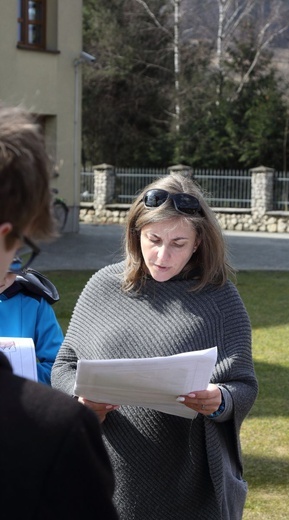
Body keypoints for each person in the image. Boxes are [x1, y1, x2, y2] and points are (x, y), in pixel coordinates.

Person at [52, 172, 259, 520]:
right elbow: (64, 365)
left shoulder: (221, 297)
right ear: (136, 234)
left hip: (190, 487)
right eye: (153, 239)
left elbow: (244, 385)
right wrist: (81, 398)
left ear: (198, 243)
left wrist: (220, 400)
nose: (162, 255)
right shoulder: (103, 286)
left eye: (178, 243)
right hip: (104, 476)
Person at [0, 104, 119, 519]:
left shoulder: (32, 304)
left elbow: (58, 360)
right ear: (7, 235)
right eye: (22, 246)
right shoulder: (56, 433)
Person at [0, 265, 64, 384]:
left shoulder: (35, 303)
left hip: (17, 396)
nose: (1, 279)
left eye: (9, 271)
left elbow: (59, 366)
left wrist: (20, 377)